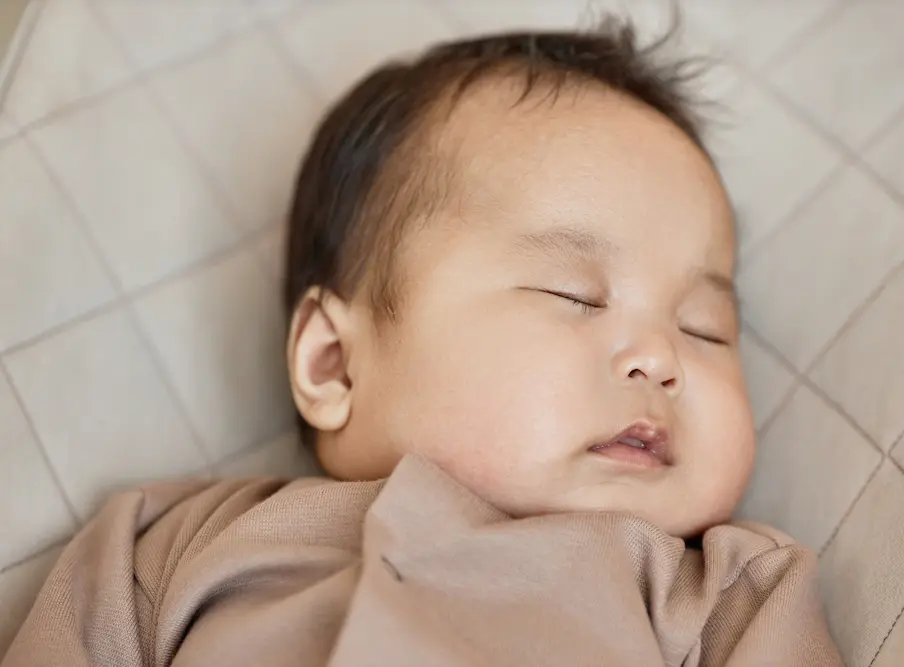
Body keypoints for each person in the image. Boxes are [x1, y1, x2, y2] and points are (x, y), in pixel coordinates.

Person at [2, 18, 843, 667]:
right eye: (573, 294)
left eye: (707, 329)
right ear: (333, 363)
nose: (659, 358)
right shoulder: (169, 544)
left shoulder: (722, 593)